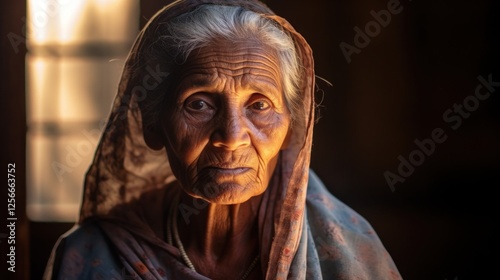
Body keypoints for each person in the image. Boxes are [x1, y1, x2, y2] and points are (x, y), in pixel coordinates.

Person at [44, 0, 402, 279]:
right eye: (199, 104)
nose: (231, 137)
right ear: (152, 124)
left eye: (259, 105)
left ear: (293, 127)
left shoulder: (345, 251)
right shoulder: (96, 255)